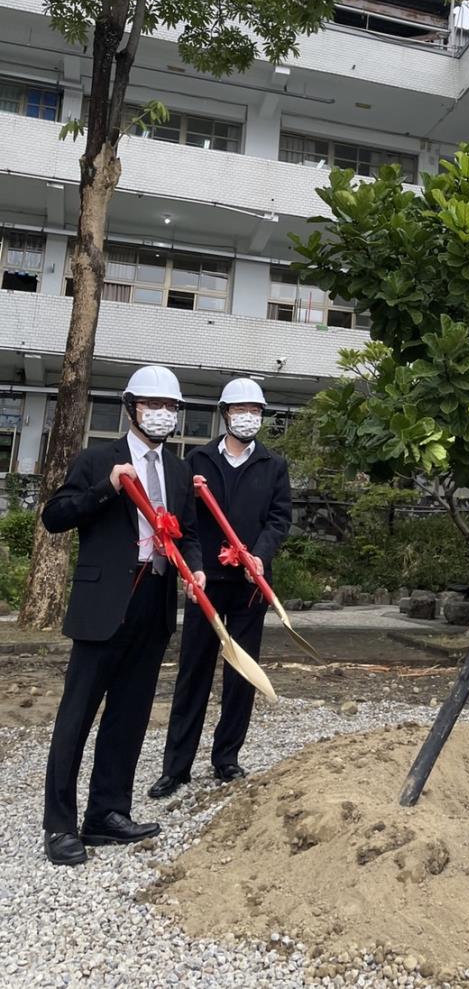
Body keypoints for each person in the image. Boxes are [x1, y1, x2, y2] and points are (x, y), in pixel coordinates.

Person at [41, 365, 204, 867]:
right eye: (152, 404)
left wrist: (195, 573)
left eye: (170, 406)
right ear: (131, 407)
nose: (162, 413)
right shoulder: (98, 459)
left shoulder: (177, 471)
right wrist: (108, 488)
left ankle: (107, 813)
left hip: (153, 602)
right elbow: (55, 516)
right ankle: (60, 827)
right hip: (103, 604)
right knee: (77, 716)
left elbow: (190, 534)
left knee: (130, 716)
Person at [149, 378, 291, 798]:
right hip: (206, 582)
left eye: (256, 411)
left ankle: (226, 758)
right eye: (240, 410)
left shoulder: (272, 464)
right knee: (193, 671)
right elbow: (183, 522)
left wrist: (260, 555)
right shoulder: (197, 460)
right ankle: (176, 767)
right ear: (225, 412)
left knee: (241, 673)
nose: (248, 417)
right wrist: (193, 568)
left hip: (250, 583)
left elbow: (279, 519)